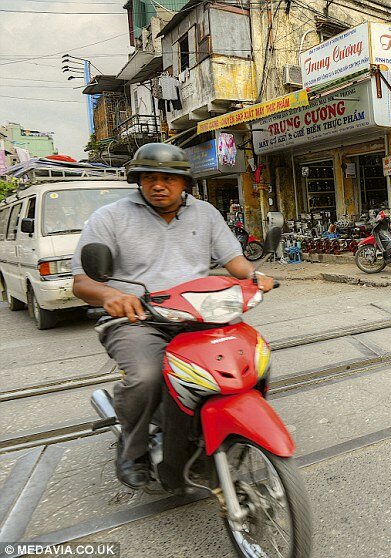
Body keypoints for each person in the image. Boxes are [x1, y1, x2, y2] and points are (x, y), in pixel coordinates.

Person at [71, 143, 275, 488]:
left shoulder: (206, 213)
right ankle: (132, 450)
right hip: (138, 319)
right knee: (147, 376)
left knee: (251, 360)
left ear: (185, 183)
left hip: (201, 316)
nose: (158, 185)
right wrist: (112, 295)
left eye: (168, 178)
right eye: (149, 178)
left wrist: (253, 276)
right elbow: (81, 282)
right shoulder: (110, 217)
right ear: (138, 181)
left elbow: (233, 260)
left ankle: (226, 426)